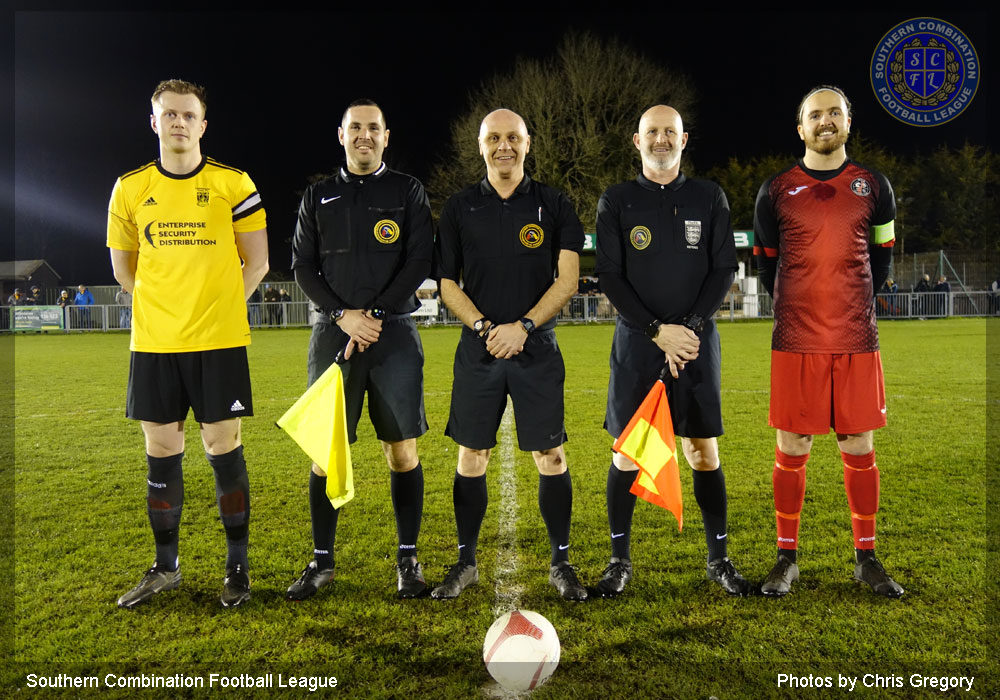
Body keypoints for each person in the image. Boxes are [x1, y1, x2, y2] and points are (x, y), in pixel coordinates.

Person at [107, 78, 269, 609]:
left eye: (188, 115)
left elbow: (259, 261)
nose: (179, 122)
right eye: (169, 114)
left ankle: (238, 568)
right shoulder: (129, 188)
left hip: (219, 343)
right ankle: (166, 566)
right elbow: (125, 271)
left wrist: (219, 308)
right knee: (161, 452)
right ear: (154, 122)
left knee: (224, 449)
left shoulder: (233, 183)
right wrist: (167, 310)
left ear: (203, 124)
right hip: (154, 345)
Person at [594, 105, 751, 598]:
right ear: (636, 142)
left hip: (697, 345)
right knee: (629, 454)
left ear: (685, 139)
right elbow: (612, 277)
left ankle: (719, 560)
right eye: (651, 132)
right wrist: (657, 329)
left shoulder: (709, 197)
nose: (661, 139)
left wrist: (692, 328)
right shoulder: (616, 201)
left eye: (670, 132)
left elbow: (722, 268)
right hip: (638, 345)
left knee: (702, 451)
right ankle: (619, 560)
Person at [754, 85, 902, 598]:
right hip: (795, 337)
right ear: (801, 128)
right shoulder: (775, 190)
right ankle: (785, 558)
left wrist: (852, 300)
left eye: (833, 113)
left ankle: (866, 557)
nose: (825, 121)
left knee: (858, 444)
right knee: (792, 445)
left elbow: (881, 259)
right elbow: (765, 262)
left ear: (847, 122)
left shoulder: (873, 185)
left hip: (856, 337)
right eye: (815, 115)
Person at [433, 108, 587, 602]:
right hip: (478, 350)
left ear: (527, 143)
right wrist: (484, 327)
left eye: (513, 138)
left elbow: (567, 280)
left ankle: (561, 562)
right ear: (480, 146)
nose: (504, 146)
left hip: (536, 348)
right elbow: (447, 283)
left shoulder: (554, 204)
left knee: (552, 454)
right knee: (472, 455)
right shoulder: (459, 208)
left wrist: (522, 328)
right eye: (494, 138)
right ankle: (465, 561)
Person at [288, 98, 433, 600]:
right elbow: (303, 267)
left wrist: (372, 315)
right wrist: (342, 315)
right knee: (325, 455)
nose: (364, 135)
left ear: (386, 137)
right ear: (341, 134)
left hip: (392, 335)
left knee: (402, 451)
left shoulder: (408, 191)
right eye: (356, 128)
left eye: (374, 128)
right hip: (333, 335)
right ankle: (322, 562)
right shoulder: (318, 196)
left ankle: (408, 560)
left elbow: (418, 260)